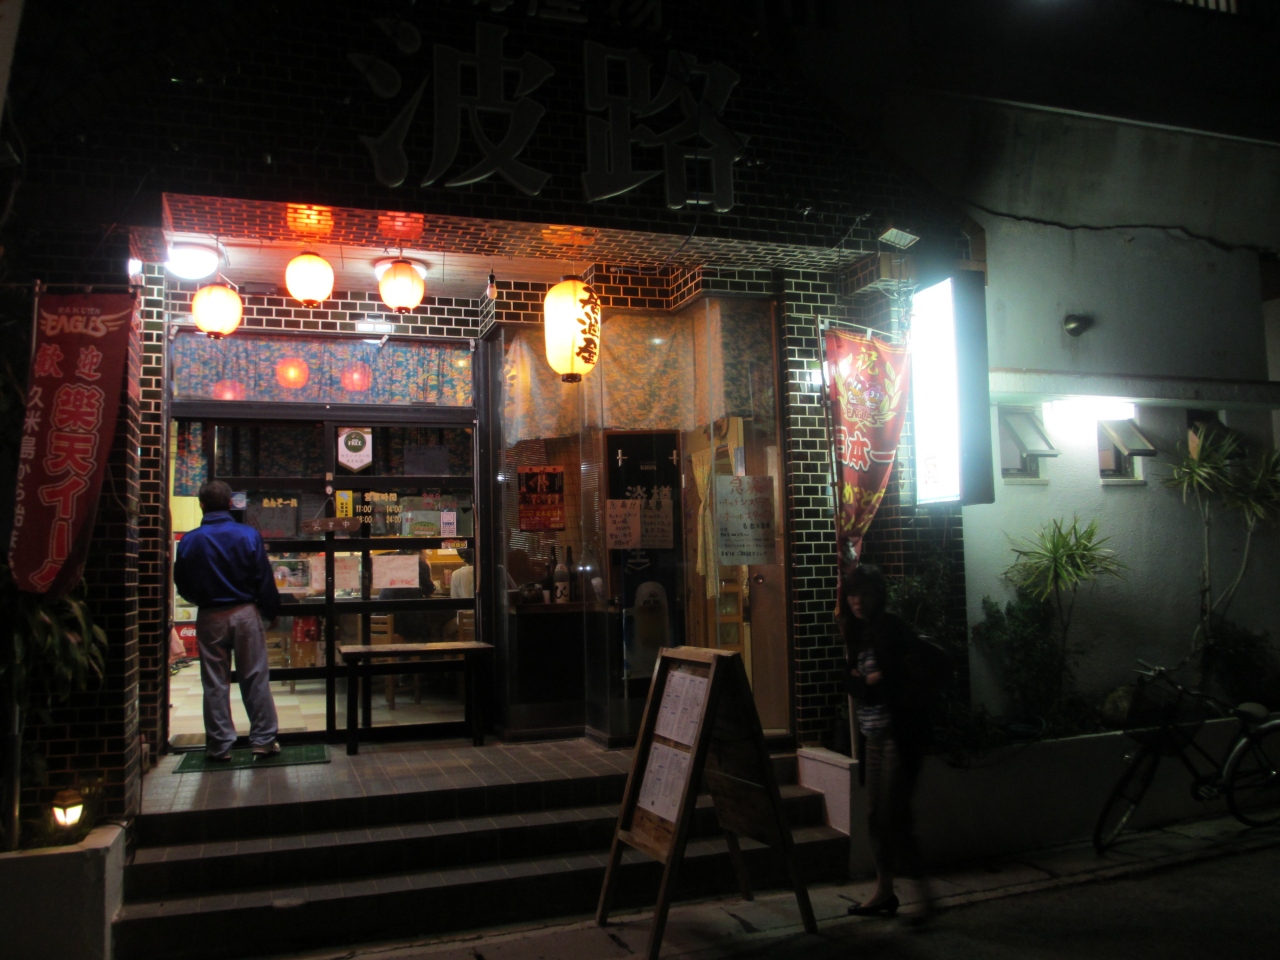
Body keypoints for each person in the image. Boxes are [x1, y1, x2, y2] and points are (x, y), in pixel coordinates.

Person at [839, 563, 933, 924]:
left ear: (878, 595)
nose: (857, 601)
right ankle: (885, 890)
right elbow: (850, 682)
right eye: (852, 594)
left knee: (895, 815)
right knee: (875, 816)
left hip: (898, 733)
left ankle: (924, 896)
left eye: (864, 593)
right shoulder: (856, 631)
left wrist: (873, 680)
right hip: (872, 734)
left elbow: (901, 674)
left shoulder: (890, 627)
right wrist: (867, 681)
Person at [173, 481, 281, 760]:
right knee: (255, 677)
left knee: (214, 682)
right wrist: (270, 611)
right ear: (231, 504)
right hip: (245, 613)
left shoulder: (190, 540)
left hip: (210, 615)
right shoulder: (248, 535)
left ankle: (220, 745)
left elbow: (181, 582)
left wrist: (200, 600)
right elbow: (263, 578)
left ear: (201, 505)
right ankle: (263, 740)